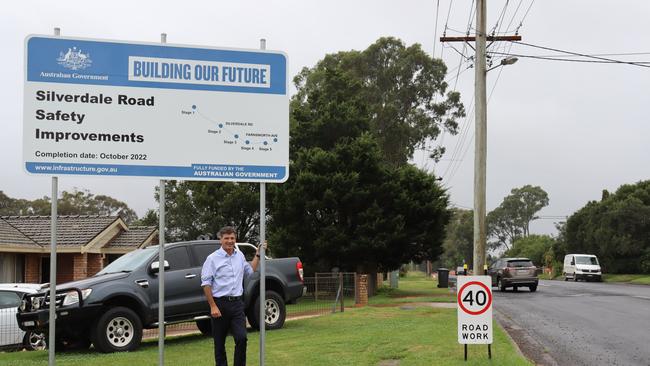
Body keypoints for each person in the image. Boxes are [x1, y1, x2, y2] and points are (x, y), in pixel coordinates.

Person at [201, 226, 264, 366]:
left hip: (237, 304)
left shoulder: (239, 256)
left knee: (242, 338)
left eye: (232, 238)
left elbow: (250, 271)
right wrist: (213, 306)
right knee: (219, 342)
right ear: (220, 240)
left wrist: (258, 254)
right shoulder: (212, 259)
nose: (230, 241)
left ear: (235, 239)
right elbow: (206, 284)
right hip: (219, 305)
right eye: (226, 238)